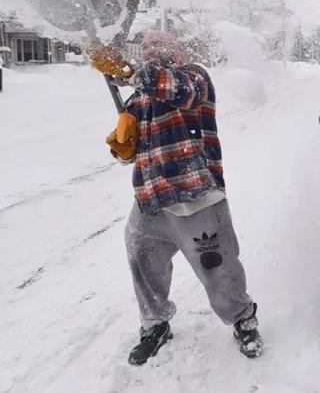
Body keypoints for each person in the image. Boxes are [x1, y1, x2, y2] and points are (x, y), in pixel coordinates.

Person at [88, 32, 262, 366]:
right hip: (151, 201)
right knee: (142, 260)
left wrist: (129, 71)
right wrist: (123, 147)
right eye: (148, 47)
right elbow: (135, 150)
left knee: (218, 267)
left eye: (160, 45)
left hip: (195, 196)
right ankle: (155, 325)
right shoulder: (138, 99)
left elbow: (177, 90)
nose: (153, 50)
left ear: (178, 50)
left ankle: (243, 318)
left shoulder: (193, 78)